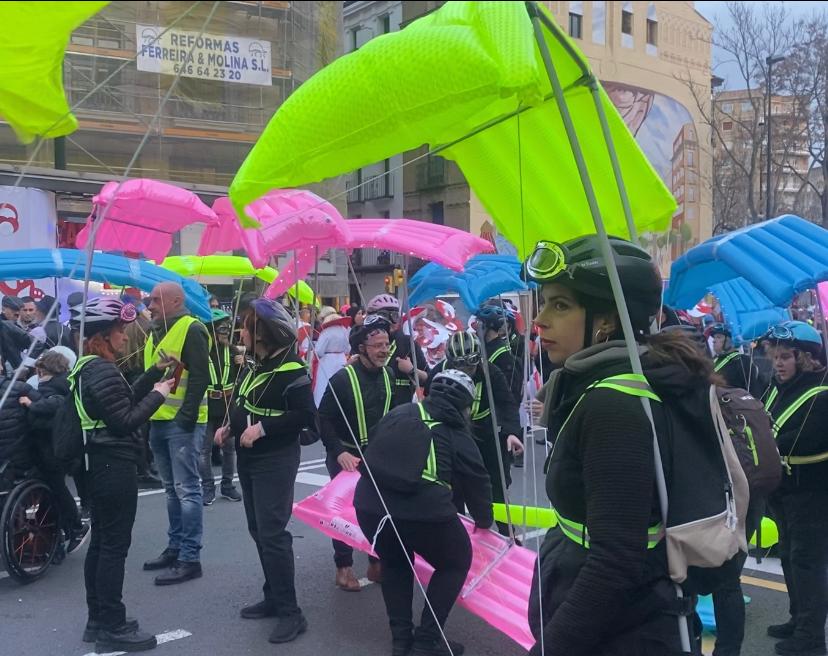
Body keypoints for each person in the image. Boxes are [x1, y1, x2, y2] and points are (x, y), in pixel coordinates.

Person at [525, 235, 712, 655]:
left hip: (622, 629)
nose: (539, 320)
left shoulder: (614, 404)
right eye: (544, 303)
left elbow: (614, 563)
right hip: (624, 616)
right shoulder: (605, 384)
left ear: (607, 320)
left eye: (560, 305)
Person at [355, 369, 493, 656]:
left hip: (371, 505)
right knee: (455, 562)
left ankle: (401, 641)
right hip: (424, 510)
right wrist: (484, 520)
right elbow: (477, 480)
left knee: (394, 563)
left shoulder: (400, 412)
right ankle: (427, 641)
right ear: (465, 405)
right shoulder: (455, 431)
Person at [66, 297, 175, 652]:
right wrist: (160, 395)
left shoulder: (89, 367)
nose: (126, 337)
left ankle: (97, 620)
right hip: (112, 465)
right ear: (102, 336)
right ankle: (112, 625)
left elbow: (122, 400)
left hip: (96, 465)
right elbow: (126, 419)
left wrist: (154, 373)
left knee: (101, 544)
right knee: (113, 547)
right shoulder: (101, 370)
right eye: (120, 331)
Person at [214, 298, 315, 644]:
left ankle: (292, 613)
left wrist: (264, 429)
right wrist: (230, 425)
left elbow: (304, 417)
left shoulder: (293, 370)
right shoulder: (256, 364)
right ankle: (273, 597)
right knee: (258, 530)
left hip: (275, 459)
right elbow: (244, 401)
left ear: (262, 334)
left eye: (245, 326)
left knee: (273, 535)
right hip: (250, 458)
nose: (240, 331)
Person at [762, 320, 828, 656]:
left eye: (786, 356)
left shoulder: (822, 392)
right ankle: (797, 618)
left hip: (813, 492)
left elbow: (808, 439)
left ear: (807, 358)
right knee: (789, 556)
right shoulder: (777, 387)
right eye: (775, 356)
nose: (778, 363)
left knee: (808, 562)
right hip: (784, 489)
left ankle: (812, 636)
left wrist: (770, 444)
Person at [318, 314, 397, 591]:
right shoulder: (342, 379)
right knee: (343, 515)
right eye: (377, 345)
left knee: (377, 512)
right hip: (347, 458)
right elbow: (322, 418)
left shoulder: (390, 374)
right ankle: (344, 567)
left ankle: (376, 562)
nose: (384, 350)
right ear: (362, 348)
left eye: (386, 343)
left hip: (378, 459)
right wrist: (338, 451)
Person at [141, 282, 211, 586]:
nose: (150, 305)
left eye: (155, 300)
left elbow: (200, 377)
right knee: (172, 490)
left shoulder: (191, 328)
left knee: (186, 490)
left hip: (180, 423)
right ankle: (175, 548)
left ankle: (189, 557)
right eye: (148, 300)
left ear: (175, 301)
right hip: (159, 420)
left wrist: (186, 417)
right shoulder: (158, 331)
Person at [427, 330, 522, 535]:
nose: (466, 370)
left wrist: (512, 432)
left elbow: (507, 403)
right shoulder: (438, 372)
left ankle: (508, 533)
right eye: (459, 365)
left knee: (496, 486)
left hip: (485, 432)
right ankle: (458, 533)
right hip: (454, 433)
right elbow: (428, 403)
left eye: (470, 365)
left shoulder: (491, 372)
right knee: (454, 486)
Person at [20, 350, 89, 556]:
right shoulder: (64, 384)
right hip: (58, 448)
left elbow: (56, 406)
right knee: (54, 491)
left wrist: (32, 406)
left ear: (43, 369)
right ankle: (63, 530)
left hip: (51, 450)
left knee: (57, 490)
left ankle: (75, 527)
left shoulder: (54, 387)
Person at [199, 309, 242, 505]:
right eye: (221, 327)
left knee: (229, 448)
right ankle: (208, 488)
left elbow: (247, 370)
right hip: (207, 405)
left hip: (227, 405)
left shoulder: (233, 351)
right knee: (204, 450)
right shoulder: (200, 350)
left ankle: (227, 486)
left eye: (227, 327)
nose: (225, 331)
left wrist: (243, 362)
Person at [366, 294, 428, 405]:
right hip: (370, 405)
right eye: (384, 315)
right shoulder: (363, 343)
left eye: (395, 316)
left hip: (400, 409)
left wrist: (412, 370)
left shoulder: (408, 344)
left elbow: (428, 378)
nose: (391, 321)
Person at [476, 303, 523, 403]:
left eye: (479, 325)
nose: (476, 329)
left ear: (487, 327)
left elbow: (511, 394)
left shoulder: (504, 356)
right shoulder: (483, 348)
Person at [710, 323, 763, 397]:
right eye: (714, 337)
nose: (713, 341)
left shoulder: (743, 361)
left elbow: (753, 391)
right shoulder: (714, 360)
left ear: (730, 340)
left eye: (719, 337)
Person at [311, 311, 351, 407]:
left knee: (324, 384)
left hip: (327, 361)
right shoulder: (344, 330)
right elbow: (348, 348)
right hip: (341, 359)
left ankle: (321, 404)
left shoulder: (326, 331)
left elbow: (319, 351)